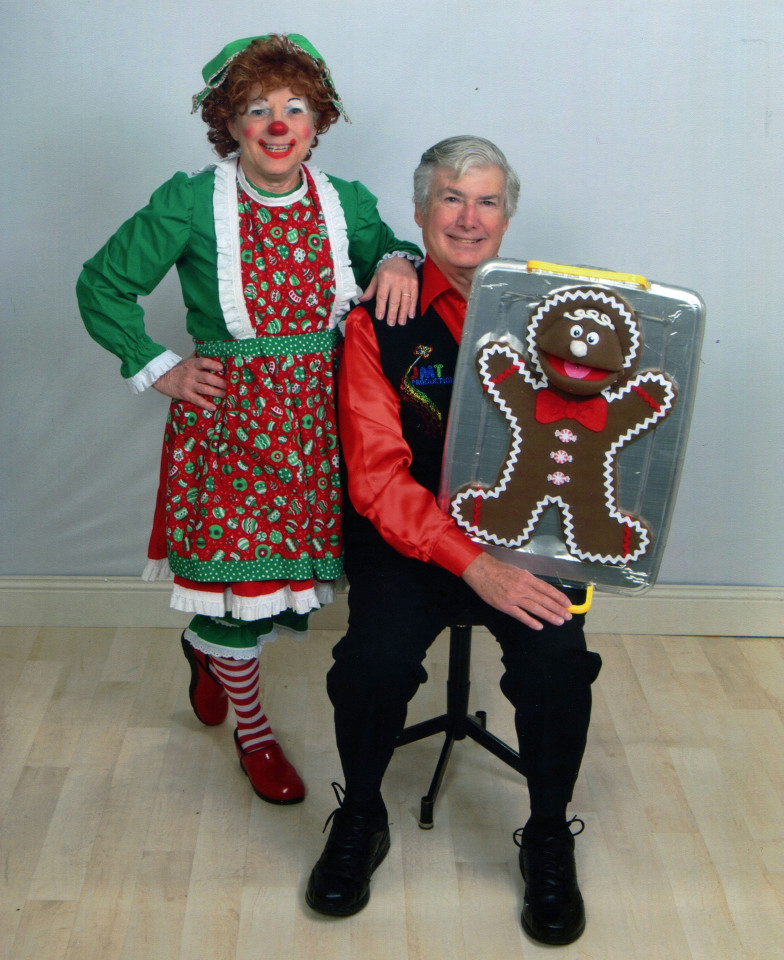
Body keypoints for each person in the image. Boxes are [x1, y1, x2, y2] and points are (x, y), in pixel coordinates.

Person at [76, 34, 422, 807]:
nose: (277, 123)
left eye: (294, 108)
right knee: (234, 586)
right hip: (230, 429)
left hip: (320, 430)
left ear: (317, 121)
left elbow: (389, 255)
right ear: (228, 123)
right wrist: (159, 365)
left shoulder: (347, 203)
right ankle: (254, 731)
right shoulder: (190, 200)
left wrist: (399, 258)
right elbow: (102, 283)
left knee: (286, 588)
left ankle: (207, 657)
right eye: (256, 108)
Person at [305, 136, 602, 946]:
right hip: (408, 539)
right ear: (420, 212)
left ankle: (546, 834)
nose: (468, 219)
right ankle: (361, 816)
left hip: (521, 544)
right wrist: (473, 567)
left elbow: (596, 442)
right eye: (450, 198)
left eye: (487, 201)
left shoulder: (556, 317)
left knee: (558, 664)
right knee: (370, 663)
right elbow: (373, 478)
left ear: (508, 216)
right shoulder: (377, 318)